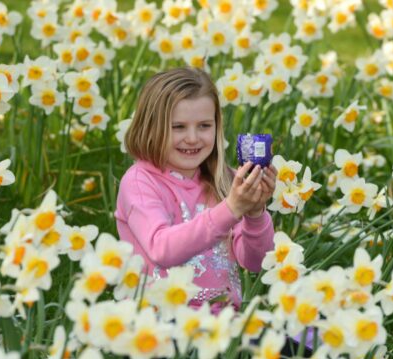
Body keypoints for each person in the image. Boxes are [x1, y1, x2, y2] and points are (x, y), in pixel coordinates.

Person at [115, 67, 277, 313]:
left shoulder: (224, 179)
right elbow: (161, 249)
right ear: (149, 127)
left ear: (216, 126)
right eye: (178, 127)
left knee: (304, 343)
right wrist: (231, 208)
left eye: (204, 126)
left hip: (221, 322)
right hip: (158, 322)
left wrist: (255, 213)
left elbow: (256, 262)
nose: (192, 138)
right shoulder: (139, 182)